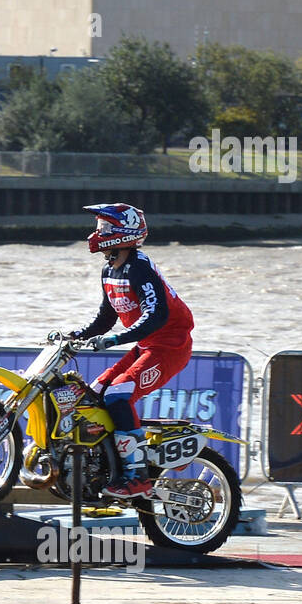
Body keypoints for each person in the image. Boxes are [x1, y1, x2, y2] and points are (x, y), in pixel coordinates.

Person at [48, 203, 195, 499]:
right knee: (95, 391)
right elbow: (106, 317)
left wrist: (116, 340)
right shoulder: (109, 269)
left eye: (104, 228)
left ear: (123, 233)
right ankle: (106, 465)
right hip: (146, 345)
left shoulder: (140, 266)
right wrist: (76, 335)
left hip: (171, 345)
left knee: (118, 394)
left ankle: (137, 475)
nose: (97, 233)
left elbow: (156, 315)